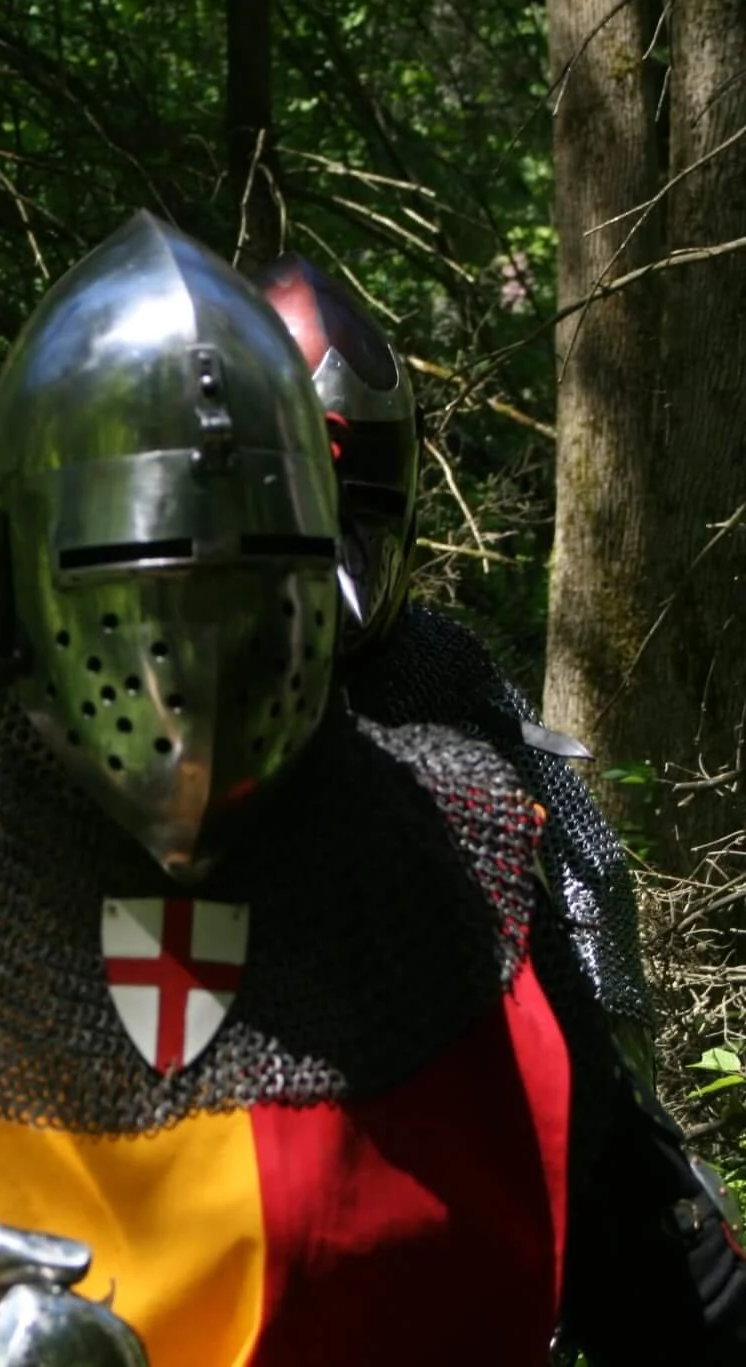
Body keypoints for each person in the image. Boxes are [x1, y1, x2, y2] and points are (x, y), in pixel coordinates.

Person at [0, 213, 746, 1367]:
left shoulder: (452, 860)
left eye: (246, 595)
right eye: (137, 594)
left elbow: (657, 1263)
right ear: (24, 588)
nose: (190, 667)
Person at [255, 253, 654, 1071]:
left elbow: (589, 871)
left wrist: (625, 1092)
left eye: (354, 505)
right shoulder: (121, 662)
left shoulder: (434, 664)